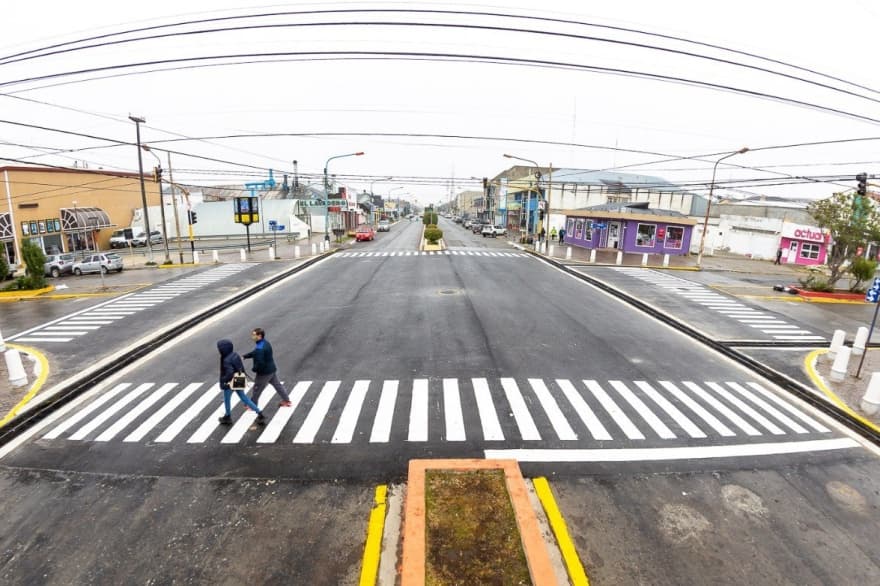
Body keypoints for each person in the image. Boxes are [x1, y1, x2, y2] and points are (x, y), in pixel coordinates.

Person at [217, 339, 265, 425]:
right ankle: (260, 413)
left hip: (229, 383)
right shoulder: (235, 355)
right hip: (238, 379)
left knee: (227, 399)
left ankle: (227, 416)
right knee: (244, 398)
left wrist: (224, 380)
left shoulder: (226, 360)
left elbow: (229, 373)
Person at [243, 327, 293, 407]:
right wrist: (245, 356)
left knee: (257, 388)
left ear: (259, 336)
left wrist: (254, 369)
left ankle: (252, 405)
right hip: (271, 369)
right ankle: (286, 400)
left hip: (264, 373)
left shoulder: (260, 348)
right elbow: (255, 353)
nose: (252, 336)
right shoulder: (265, 343)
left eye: (254, 335)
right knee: (277, 385)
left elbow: (260, 363)